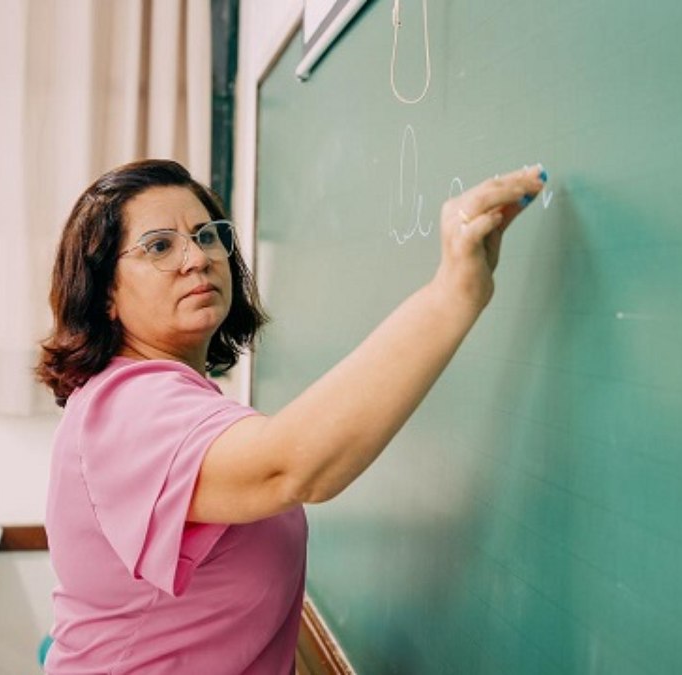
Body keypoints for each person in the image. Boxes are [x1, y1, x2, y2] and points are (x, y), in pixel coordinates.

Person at [36, 158, 546, 674]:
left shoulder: (173, 397)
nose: (197, 258)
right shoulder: (129, 407)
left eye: (208, 235)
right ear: (105, 296)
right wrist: (452, 294)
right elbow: (291, 466)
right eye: (160, 246)